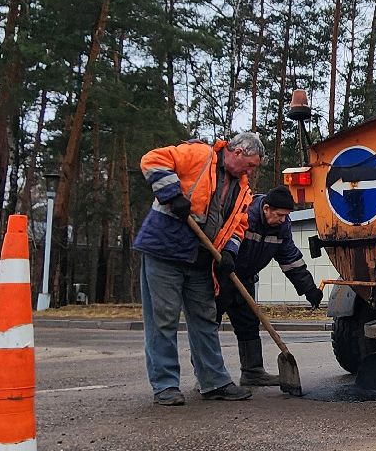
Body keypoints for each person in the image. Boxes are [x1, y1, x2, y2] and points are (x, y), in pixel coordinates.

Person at [133, 131, 263, 405]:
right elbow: (152, 160)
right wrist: (171, 194)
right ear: (237, 152)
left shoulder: (243, 190)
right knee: (163, 319)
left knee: (205, 318)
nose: (251, 171)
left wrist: (229, 251)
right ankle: (165, 386)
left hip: (201, 259)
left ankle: (214, 381)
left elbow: (239, 226)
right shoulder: (200, 155)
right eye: (250, 164)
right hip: (166, 249)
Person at [217, 185, 324, 387]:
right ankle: (207, 375)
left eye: (286, 216)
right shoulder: (245, 214)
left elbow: (291, 260)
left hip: (245, 278)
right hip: (220, 275)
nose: (284, 220)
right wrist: (228, 257)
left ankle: (252, 373)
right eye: (280, 215)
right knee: (208, 324)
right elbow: (228, 238)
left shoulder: (281, 228)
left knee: (248, 324)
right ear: (266, 209)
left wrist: (309, 289)